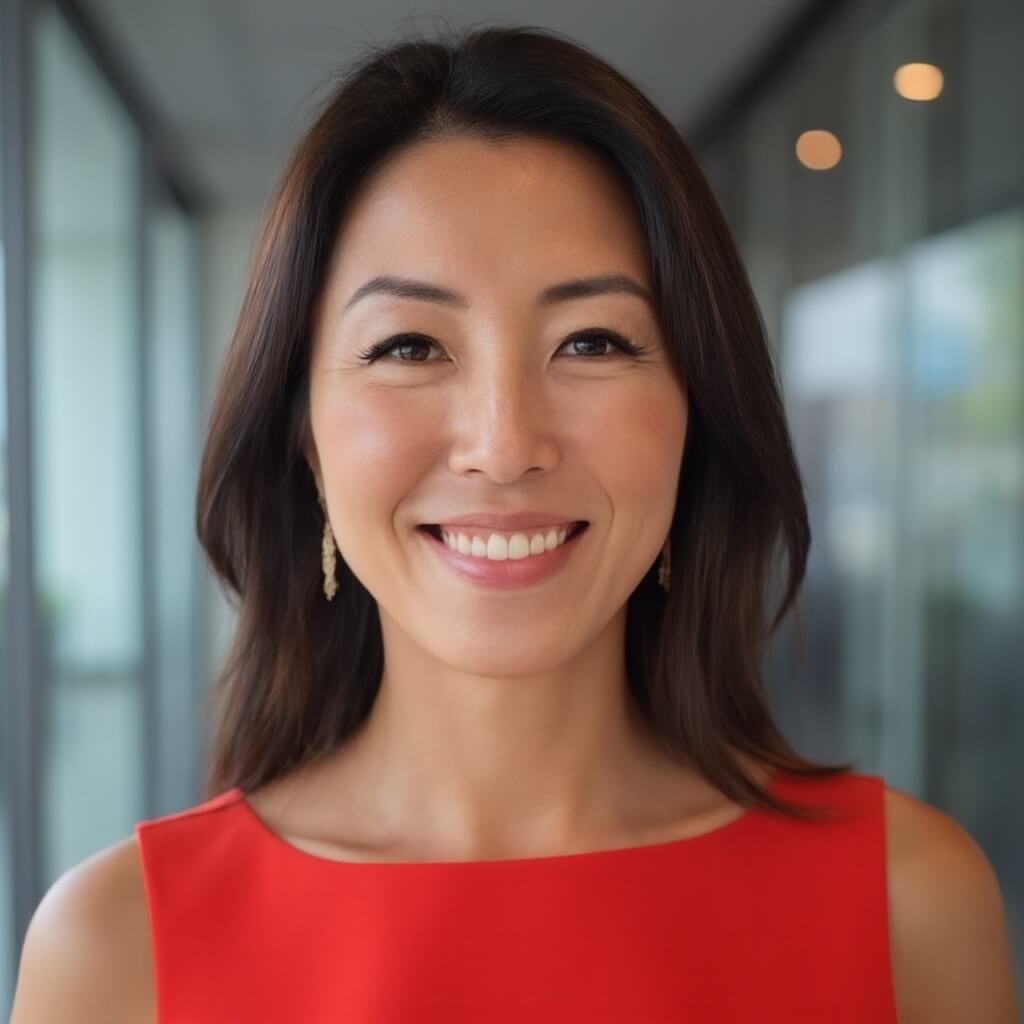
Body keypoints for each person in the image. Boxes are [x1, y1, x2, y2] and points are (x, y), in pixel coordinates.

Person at [11, 22, 1018, 1024]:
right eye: (409, 346)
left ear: (695, 414)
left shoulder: (908, 902)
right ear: (305, 435)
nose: (502, 444)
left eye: (591, 340)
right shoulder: (114, 949)